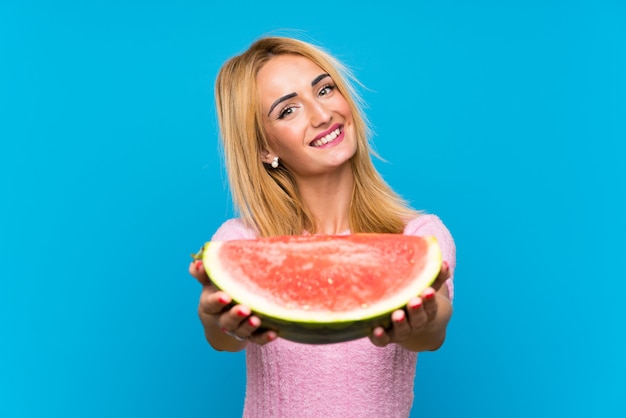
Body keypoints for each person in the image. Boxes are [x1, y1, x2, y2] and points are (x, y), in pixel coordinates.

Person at [189, 36, 456, 418]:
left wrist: (423, 319)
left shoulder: (419, 235)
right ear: (265, 149)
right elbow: (224, 338)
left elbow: (433, 332)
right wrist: (215, 321)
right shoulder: (241, 241)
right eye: (288, 111)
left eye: (325, 89)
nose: (321, 114)